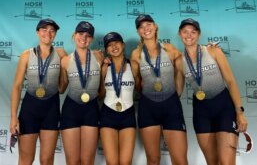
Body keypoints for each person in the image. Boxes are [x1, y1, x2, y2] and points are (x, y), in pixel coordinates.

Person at [178, 18, 248, 165]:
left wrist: (239, 112)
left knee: (226, 162)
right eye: (185, 31)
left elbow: (230, 81)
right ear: (179, 34)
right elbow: (177, 91)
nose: (189, 35)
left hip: (224, 108)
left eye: (193, 31)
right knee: (213, 162)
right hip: (201, 111)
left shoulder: (213, 50)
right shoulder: (179, 61)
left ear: (199, 34)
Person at [130, 14, 188, 165]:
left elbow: (180, 69)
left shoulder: (169, 49)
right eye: (141, 27)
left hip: (171, 106)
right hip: (148, 108)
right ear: (138, 32)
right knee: (153, 159)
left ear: (155, 26)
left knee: (180, 160)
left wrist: (177, 92)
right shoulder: (136, 54)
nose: (146, 29)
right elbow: (136, 81)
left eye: (148, 24)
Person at [9, 18, 66, 165]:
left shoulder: (61, 54)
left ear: (55, 34)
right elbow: (16, 86)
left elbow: (61, 88)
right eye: (44, 29)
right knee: (26, 160)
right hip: (30, 111)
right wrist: (13, 118)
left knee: (47, 160)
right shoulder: (26, 55)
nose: (48, 33)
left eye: (52, 30)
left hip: (51, 110)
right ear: (37, 32)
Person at [60, 21, 103, 165]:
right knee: (72, 161)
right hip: (70, 110)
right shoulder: (65, 61)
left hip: (91, 110)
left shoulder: (99, 56)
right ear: (74, 35)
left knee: (87, 161)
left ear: (92, 39)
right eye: (80, 34)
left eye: (88, 35)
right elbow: (61, 88)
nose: (84, 38)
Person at [99, 32, 137, 165]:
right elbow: (100, 94)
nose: (114, 47)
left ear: (123, 45)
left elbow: (140, 89)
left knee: (126, 162)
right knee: (112, 162)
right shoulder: (104, 67)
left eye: (116, 43)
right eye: (109, 45)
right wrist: (103, 68)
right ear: (106, 50)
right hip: (108, 114)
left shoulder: (133, 65)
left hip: (128, 114)